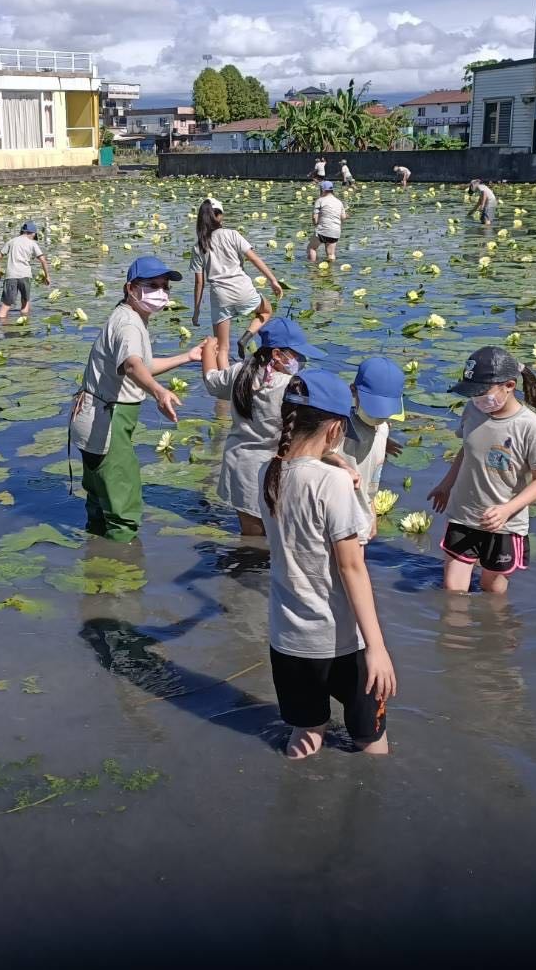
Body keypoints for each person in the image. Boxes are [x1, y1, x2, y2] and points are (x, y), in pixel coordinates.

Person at [260, 370, 396, 759]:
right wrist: (377, 648)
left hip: (288, 641)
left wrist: (333, 460)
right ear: (336, 428)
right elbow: (352, 568)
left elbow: (296, 461)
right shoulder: (331, 484)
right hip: (340, 642)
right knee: (371, 743)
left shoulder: (266, 474)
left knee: (305, 734)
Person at [68, 256, 204, 543]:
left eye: (165, 286)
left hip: (90, 415)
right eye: (152, 285)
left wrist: (187, 357)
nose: (161, 293)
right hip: (109, 418)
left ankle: (95, 564)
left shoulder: (125, 316)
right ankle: (125, 571)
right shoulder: (129, 324)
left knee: (99, 499)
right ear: (131, 288)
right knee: (122, 504)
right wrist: (159, 391)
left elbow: (141, 364)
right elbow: (132, 366)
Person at [427, 346, 536, 595]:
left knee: (492, 591)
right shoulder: (473, 411)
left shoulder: (530, 427)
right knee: (453, 591)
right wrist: (446, 484)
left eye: (482, 392)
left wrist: (507, 510)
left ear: (509, 386)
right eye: (472, 393)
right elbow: (467, 450)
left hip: (503, 524)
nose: (477, 399)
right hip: (464, 513)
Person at [201, 316, 325, 536]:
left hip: (240, 469)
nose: (302, 360)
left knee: (251, 536)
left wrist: (208, 350)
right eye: (297, 355)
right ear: (277, 355)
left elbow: (212, 382)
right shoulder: (291, 386)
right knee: (272, 540)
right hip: (275, 471)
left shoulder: (240, 371)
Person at [190, 197, 282, 366]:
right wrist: (273, 280)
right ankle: (246, 337)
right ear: (218, 216)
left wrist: (196, 310)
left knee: (222, 347)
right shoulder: (232, 234)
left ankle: (225, 387)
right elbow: (255, 259)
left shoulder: (198, 246)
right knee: (266, 311)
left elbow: (199, 283)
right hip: (242, 288)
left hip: (220, 295)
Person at [334, 356, 406, 539]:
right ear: (353, 391)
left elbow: (371, 482)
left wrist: (372, 512)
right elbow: (318, 452)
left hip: (364, 509)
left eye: (385, 412)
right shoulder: (340, 426)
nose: (379, 417)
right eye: (374, 410)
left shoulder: (383, 428)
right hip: (340, 516)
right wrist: (341, 463)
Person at [0, 220, 50, 321]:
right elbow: (43, 260)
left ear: (22, 231)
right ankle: (24, 324)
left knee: (6, 305)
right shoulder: (32, 244)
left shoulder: (11, 241)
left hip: (11, 275)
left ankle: (2, 325)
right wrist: (47, 276)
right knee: (25, 302)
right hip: (25, 275)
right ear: (33, 233)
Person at [309, 181, 346, 263]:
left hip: (323, 230)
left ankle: (312, 268)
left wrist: (316, 226)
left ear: (322, 190)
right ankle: (331, 271)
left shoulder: (320, 200)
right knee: (331, 254)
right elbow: (343, 217)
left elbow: (315, 218)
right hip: (335, 231)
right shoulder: (339, 202)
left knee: (312, 248)